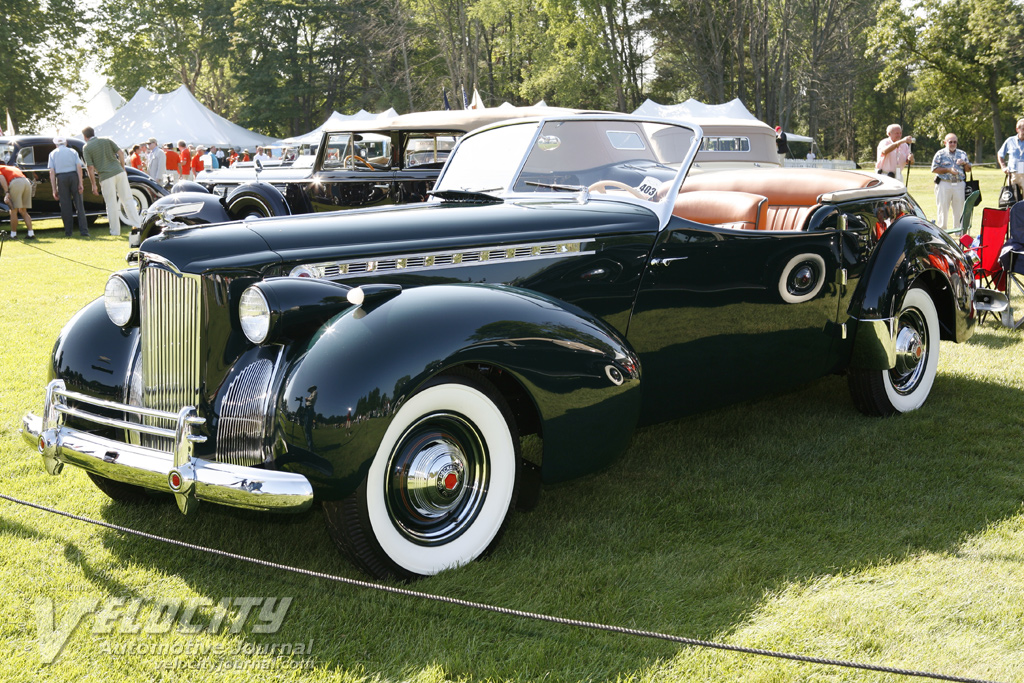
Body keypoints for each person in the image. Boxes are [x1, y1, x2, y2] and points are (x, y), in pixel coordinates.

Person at [82, 125, 142, 237]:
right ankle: (137, 226)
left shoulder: (87, 147)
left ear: (85, 136)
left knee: (111, 204)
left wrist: (93, 185)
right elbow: (121, 153)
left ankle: (115, 232)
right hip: (119, 172)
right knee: (127, 199)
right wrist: (123, 168)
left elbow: (90, 167)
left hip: (105, 176)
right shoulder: (106, 140)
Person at [46, 136, 89, 237]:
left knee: (65, 206)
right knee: (79, 205)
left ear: (56, 144)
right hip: (74, 176)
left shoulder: (52, 153)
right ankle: (84, 231)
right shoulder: (72, 151)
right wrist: (80, 183)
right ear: (65, 143)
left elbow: (52, 172)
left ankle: (68, 232)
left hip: (61, 178)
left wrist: (54, 189)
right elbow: (79, 167)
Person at [931, 133, 971, 232]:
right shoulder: (940, 154)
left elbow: (968, 169)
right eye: (950, 142)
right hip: (944, 183)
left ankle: (958, 230)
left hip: (959, 183)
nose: (953, 144)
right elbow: (934, 169)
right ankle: (942, 231)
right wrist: (948, 170)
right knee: (943, 208)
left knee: (959, 208)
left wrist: (964, 163)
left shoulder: (962, 153)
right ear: (945, 143)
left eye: (955, 142)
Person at [0, 163, 34, 238]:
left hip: (16, 183)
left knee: (13, 211)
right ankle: (31, 233)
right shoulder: (11, 167)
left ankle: (13, 235)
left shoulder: (0, 168)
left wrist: (6, 192)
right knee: (23, 211)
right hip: (26, 182)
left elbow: (1, 178)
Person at [997, 118, 1024, 200]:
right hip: (1013, 174)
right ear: (1017, 129)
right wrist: (1003, 167)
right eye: (1023, 129)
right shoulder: (1010, 141)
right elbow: (1000, 154)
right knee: (1013, 200)